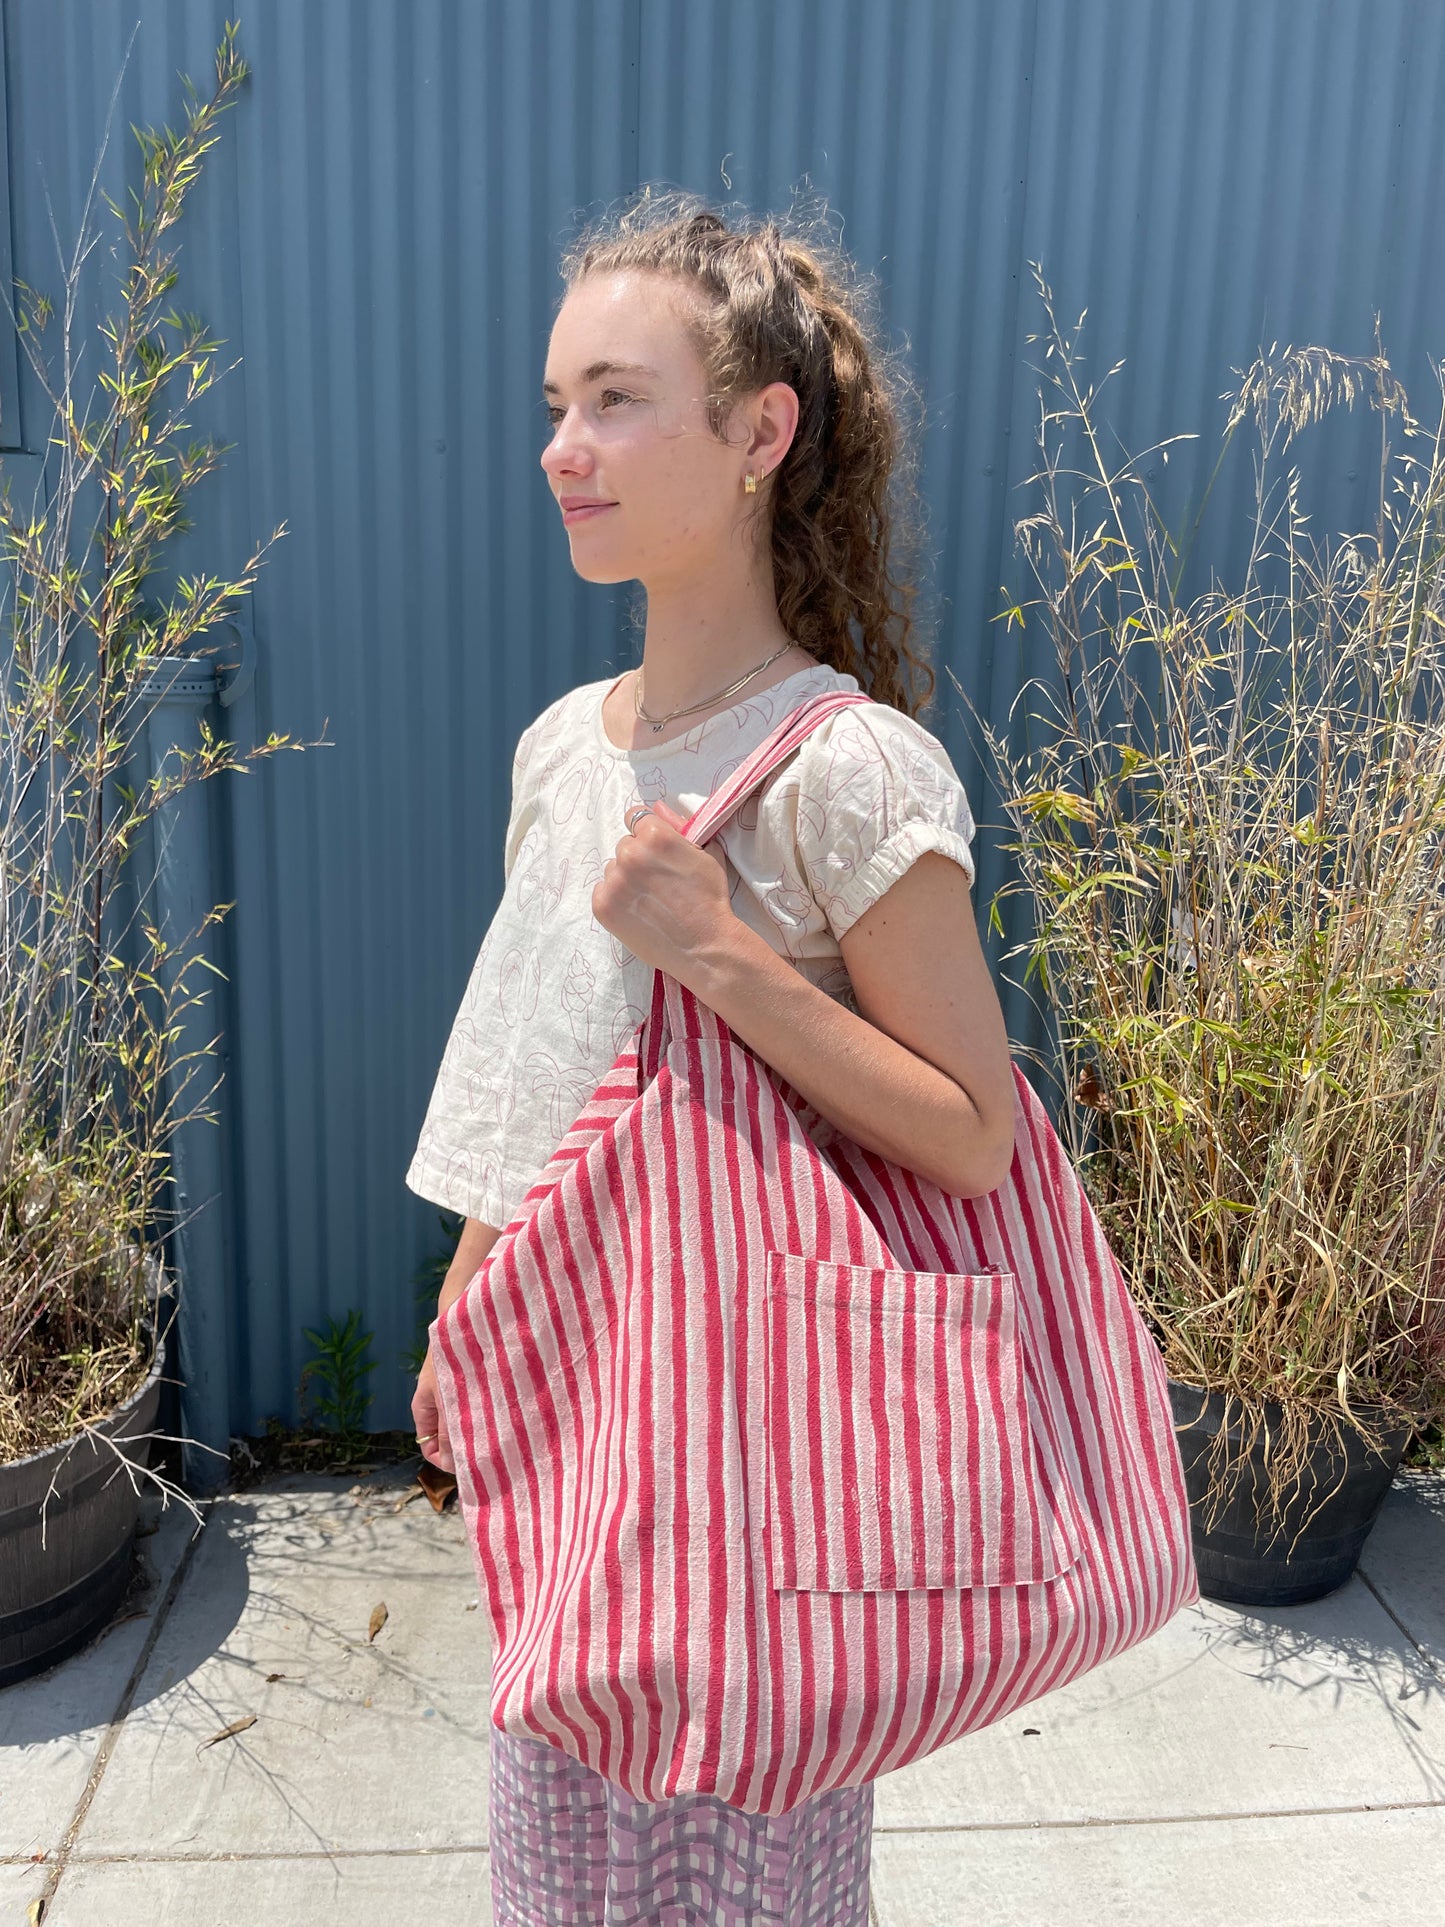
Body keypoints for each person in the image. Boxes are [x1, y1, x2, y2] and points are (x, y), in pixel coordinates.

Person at [405, 189, 1015, 1927]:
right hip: (575, 1406)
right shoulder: (557, 748)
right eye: (552, 408)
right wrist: (466, 1302)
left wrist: (724, 954)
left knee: (749, 1879)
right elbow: (533, 1069)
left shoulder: (848, 768)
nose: (562, 451)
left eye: (613, 401)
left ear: (760, 433)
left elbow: (972, 1135)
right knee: (563, 1861)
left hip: (758, 1449)